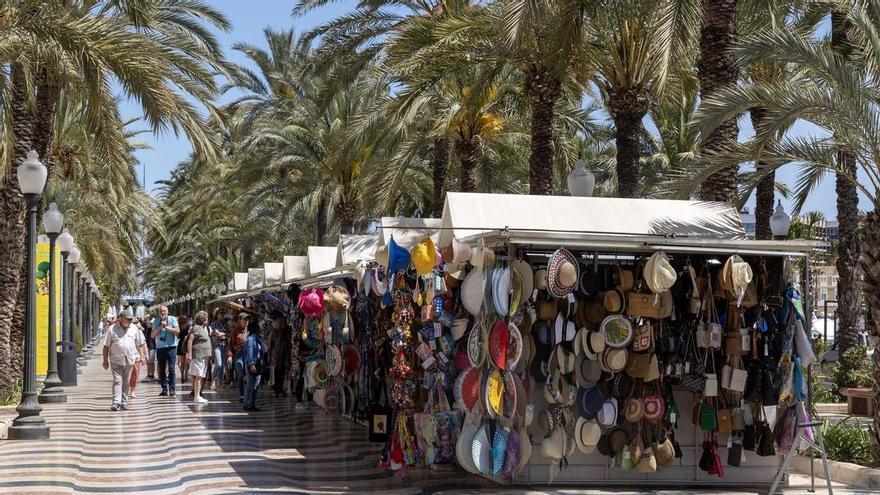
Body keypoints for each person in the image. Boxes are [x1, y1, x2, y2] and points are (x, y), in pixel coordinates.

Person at [102, 310, 147, 411]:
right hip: (116, 359)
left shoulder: (134, 328)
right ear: (121, 319)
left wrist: (142, 356)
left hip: (129, 359)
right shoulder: (112, 329)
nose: (130, 321)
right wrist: (105, 360)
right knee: (118, 381)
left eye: (131, 319)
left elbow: (139, 344)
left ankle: (124, 401)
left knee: (126, 381)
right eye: (128, 319)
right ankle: (116, 403)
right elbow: (106, 346)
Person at [151, 305, 180, 397]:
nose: (162, 312)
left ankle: (172, 389)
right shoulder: (156, 321)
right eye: (160, 311)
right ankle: (164, 389)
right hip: (160, 348)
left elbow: (177, 330)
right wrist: (160, 327)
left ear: (167, 311)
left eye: (164, 311)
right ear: (158, 312)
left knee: (171, 369)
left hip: (171, 347)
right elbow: (152, 335)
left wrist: (166, 327)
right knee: (161, 369)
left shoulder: (172, 319)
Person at [187, 311, 212, 404]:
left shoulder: (201, 328)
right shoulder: (197, 328)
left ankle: (197, 394)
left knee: (199, 375)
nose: (207, 320)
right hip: (199, 355)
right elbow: (190, 340)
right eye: (206, 319)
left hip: (203, 356)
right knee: (198, 375)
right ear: (203, 320)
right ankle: (197, 396)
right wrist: (189, 354)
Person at [267, 311, 291, 398]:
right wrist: (269, 357)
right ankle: (277, 390)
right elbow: (270, 345)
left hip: (282, 357)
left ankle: (280, 390)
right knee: (276, 374)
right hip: (276, 357)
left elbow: (289, 345)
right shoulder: (274, 332)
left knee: (281, 374)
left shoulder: (287, 332)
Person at [243, 320, 265, 412]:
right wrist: (252, 364)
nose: (260, 329)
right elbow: (250, 352)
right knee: (252, 385)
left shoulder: (256, 338)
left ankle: (251, 403)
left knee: (255, 384)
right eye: (258, 327)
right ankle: (248, 404)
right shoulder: (252, 339)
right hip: (253, 364)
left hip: (257, 363)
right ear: (255, 329)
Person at [227, 312, 249, 402]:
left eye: (247, 319)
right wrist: (230, 356)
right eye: (245, 319)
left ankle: (248, 394)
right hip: (239, 354)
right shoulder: (235, 331)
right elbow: (231, 344)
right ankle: (242, 395)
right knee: (240, 375)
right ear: (240, 321)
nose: (247, 321)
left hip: (248, 355)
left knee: (247, 376)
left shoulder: (250, 330)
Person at [209, 308, 228, 391]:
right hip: (217, 345)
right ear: (217, 314)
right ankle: (213, 380)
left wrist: (221, 334)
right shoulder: (214, 324)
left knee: (222, 365)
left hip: (224, 345)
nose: (222, 315)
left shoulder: (226, 324)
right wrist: (221, 334)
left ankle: (219, 383)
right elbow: (214, 333)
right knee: (218, 364)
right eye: (221, 313)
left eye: (223, 313)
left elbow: (229, 333)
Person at [141, 314, 158, 383]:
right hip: (149, 345)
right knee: (149, 362)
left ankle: (151, 375)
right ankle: (149, 375)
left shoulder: (152, 329)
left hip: (152, 346)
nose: (147, 322)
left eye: (148, 320)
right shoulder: (148, 329)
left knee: (151, 362)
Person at [177, 316, 191, 383]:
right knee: (183, 362)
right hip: (182, 344)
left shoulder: (189, 327)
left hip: (187, 343)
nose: (185, 324)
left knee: (186, 362)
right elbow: (177, 336)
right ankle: (183, 375)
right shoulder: (178, 327)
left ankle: (185, 375)